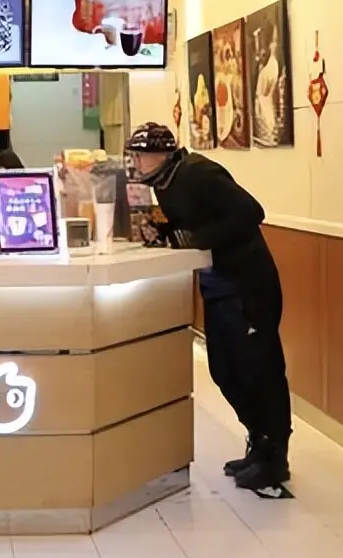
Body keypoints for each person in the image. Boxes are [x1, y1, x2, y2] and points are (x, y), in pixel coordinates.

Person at [125, 121, 293, 498]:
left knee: (259, 369)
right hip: (216, 284)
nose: (135, 162)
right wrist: (162, 234)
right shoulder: (163, 183)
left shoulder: (199, 173)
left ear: (161, 154)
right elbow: (185, 224)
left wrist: (194, 239)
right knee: (224, 368)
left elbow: (251, 212)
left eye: (140, 155)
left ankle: (275, 455)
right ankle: (257, 439)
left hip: (247, 284)